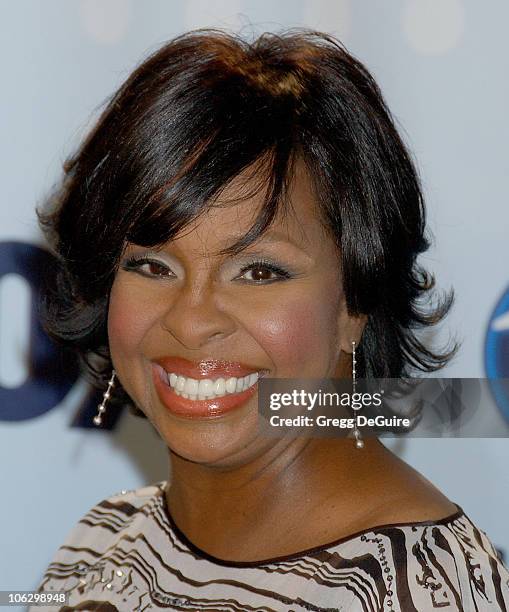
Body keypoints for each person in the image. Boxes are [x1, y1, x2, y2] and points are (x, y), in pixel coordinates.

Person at [32, 28, 509, 611]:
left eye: (259, 272)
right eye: (152, 265)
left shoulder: (414, 590)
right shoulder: (102, 541)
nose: (191, 321)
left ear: (354, 303)